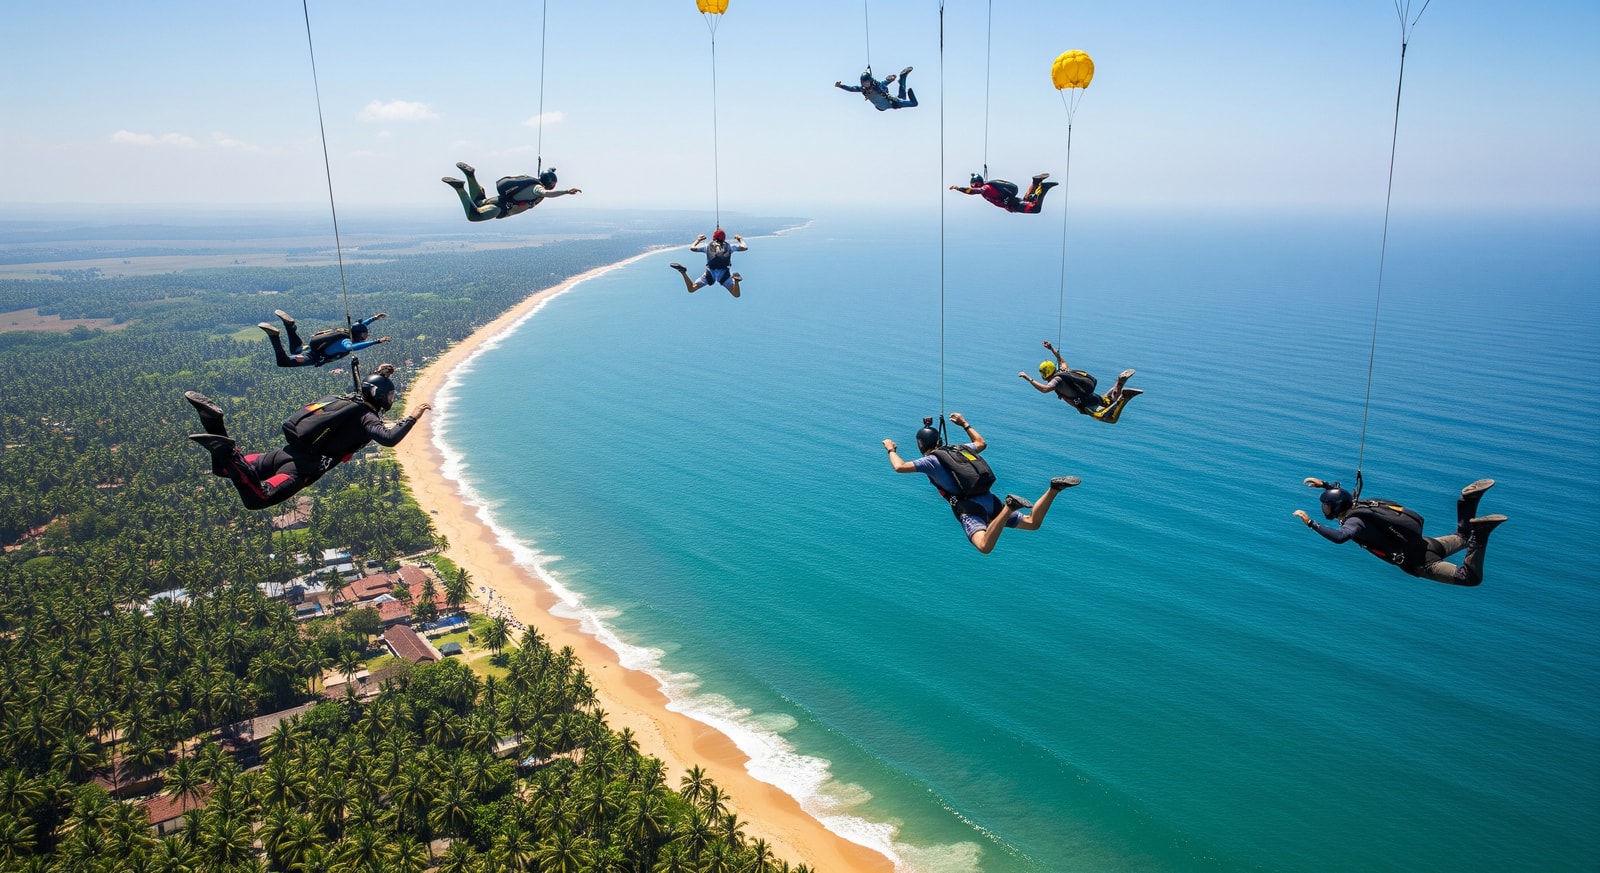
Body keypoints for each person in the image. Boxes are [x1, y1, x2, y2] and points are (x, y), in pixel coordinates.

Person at [184, 372, 430, 510]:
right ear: (377, 395)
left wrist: (380, 374)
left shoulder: (352, 401)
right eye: (388, 394)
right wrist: (413, 417)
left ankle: (215, 425)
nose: (390, 398)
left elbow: (364, 383)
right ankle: (228, 449)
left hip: (283, 453)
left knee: (221, 468)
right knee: (258, 498)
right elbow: (389, 438)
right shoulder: (366, 418)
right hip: (299, 469)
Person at [883, 413, 1080, 554]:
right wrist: (964, 423)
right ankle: (1054, 488)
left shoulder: (931, 461)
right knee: (1032, 523)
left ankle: (1009, 507)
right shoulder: (960, 449)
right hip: (988, 498)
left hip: (970, 507)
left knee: (984, 546)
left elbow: (899, 467)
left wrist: (891, 449)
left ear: (920, 445)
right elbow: (981, 443)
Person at [1293, 477, 1508, 586]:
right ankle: (1468, 500)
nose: (1325, 509)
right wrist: (1325, 485)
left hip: (1422, 563)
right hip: (1425, 544)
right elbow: (1344, 494)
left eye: (1327, 506)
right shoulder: (1360, 504)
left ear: (1338, 506)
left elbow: (1340, 537)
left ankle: (1481, 533)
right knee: (1462, 537)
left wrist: (1311, 523)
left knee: (1469, 578)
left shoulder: (1354, 523)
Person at [1020, 340, 1141, 423]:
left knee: (1110, 418)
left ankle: (1125, 396)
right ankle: (1119, 382)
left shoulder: (1056, 381)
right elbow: (1061, 360)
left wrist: (1028, 378)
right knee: (1109, 400)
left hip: (1087, 405)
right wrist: (1051, 348)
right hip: (1093, 397)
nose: (1041, 375)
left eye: (1041, 372)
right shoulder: (1064, 371)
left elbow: (1045, 389)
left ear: (1046, 372)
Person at [441, 162, 580, 221]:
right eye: (553, 184)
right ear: (549, 183)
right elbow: (547, 194)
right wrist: (567, 191)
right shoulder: (537, 189)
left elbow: (548, 171)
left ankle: (470, 176)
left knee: (477, 202)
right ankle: (459, 188)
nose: (553, 186)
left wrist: (551, 169)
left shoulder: (533, 184)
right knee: (474, 216)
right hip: (500, 208)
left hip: (500, 201)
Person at [258, 309, 390, 368]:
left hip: (309, 349)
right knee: (283, 362)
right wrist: (376, 341)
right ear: (359, 334)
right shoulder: (346, 341)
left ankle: (289, 326)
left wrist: (374, 318)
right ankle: (273, 336)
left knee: (295, 349)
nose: (365, 337)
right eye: (364, 335)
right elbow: (352, 347)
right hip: (313, 356)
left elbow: (361, 325)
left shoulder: (349, 331)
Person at [669, 229, 747, 298]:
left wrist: (698, 240)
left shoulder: (707, 247)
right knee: (736, 294)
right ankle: (736, 280)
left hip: (710, 272)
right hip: (724, 273)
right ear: (724, 237)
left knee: (691, 288)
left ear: (713, 237)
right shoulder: (729, 247)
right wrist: (740, 239)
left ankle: (683, 272)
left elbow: (692, 248)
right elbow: (744, 247)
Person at [950, 172, 1057, 214]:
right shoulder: (987, 188)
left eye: (974, 184)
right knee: (1026, 201)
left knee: (1035, 208)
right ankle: (1035, 182)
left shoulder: (985, 188)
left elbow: (974, 192)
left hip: (1012, 203)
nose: (973, 187)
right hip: (1011, 203)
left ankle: (1043, 188)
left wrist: (959, 188)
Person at [835, 66, 917, 110]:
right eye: (864, 83)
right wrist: (841, 86)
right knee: (901, 97)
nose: (865, 84)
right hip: (884, 105)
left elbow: (881, 85)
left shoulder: (876, 86)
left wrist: (888, 80)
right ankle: (902, 78)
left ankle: (903, 78)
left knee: (913, 103)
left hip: (889, 103)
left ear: (870, 81)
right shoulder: (863, 89)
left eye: (867, 82)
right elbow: (851, 89)